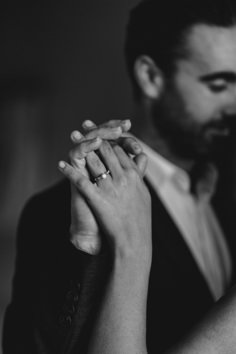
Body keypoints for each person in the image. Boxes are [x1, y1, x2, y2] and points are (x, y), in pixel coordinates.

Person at [3, 0, 236, 353]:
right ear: (150, 77)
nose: (234, 104)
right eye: (219, 86)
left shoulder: (228, 191)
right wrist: (87, 247)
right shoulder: (57, 212)